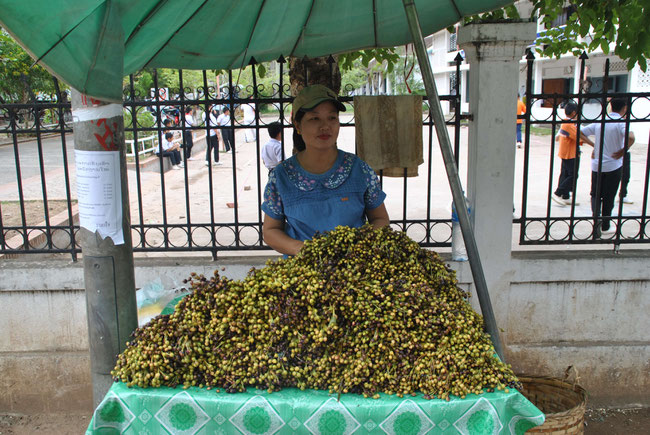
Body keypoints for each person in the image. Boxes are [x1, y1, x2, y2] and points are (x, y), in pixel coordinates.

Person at [261, 84, 390, 256]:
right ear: (298, 126)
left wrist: (359, 246)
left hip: (354, 267)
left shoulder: (360, 170)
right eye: (314, 119)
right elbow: (270, 231)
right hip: (303, 271)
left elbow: (380, 219)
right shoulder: (281, 177)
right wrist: (307, 251)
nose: (325, 126)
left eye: (332, 118)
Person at [581, 98, 635, 235]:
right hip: (613, 165)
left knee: (595, 194)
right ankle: (605, 225)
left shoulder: (601, 121)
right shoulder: (621, 123)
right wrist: (624, 150)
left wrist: (594, 145)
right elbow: (631, 137)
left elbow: (580, 132)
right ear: (624, 108)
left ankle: (596, 220)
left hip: (597, 165)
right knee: (609, 196)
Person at [551, 102, 594, 206]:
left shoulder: (567, 124)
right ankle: (558, 192)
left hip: (567, 152)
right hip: (569, 154)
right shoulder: (568, 125)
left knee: (566, 173)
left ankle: (565, 196)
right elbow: (579, 136)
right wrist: (594, 145)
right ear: (574, 113)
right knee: (573, 175)